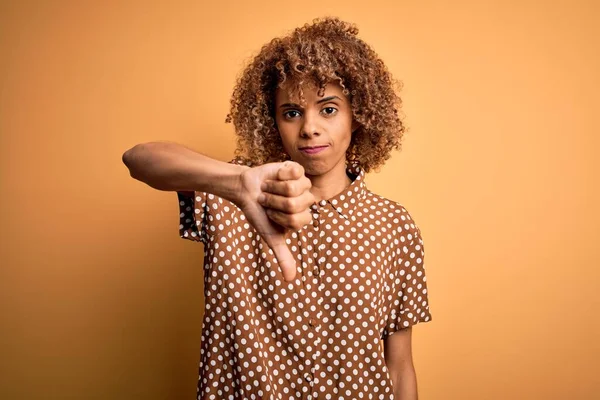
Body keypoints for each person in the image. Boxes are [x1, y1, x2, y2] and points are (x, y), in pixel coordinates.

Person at [123, 17, 431, 400]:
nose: (309, 128)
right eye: (291, 112)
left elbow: (399, 368)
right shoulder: (230, 197)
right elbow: (139, 159)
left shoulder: (393, 227)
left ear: (359, 115)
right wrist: (235, 182)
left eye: (329, 109)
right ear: (272, 122)